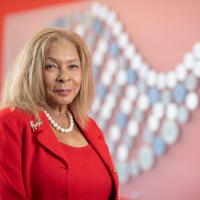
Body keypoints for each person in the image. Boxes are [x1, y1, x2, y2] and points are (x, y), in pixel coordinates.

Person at [0, 27, 119, 200]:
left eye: (72, 66)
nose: (64, 76)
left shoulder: (89, 126)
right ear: (32, 72)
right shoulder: (10, 123)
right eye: (51, 66)